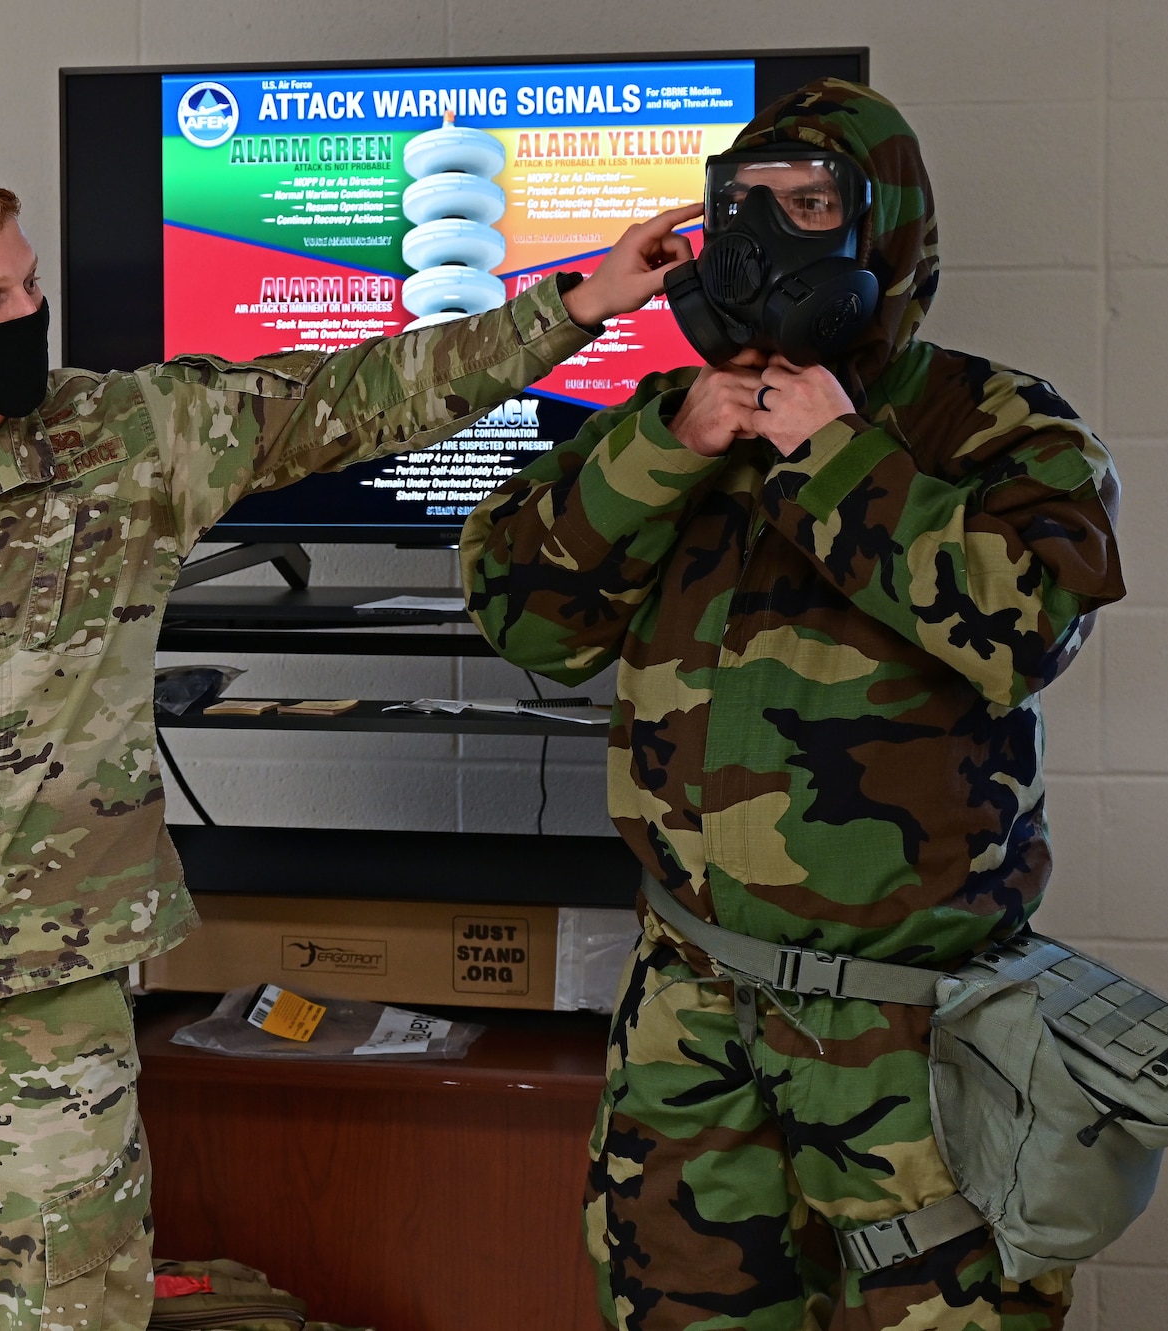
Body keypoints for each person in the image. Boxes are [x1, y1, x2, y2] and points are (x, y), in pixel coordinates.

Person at [0, 166, 701, 1330]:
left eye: (29, 285)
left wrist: (577, 306)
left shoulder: (132, 435)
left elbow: (364, 391)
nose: (28, 315)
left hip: (55, 1013)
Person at [459, 80, 1124, 1331]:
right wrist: (666, 448)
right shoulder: (675, 428)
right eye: (742, 208)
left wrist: (835, 456)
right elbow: (524, 619)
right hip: (690, 1003)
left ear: (884, 235)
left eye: (809, 205)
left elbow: (1024, 625)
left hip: (906, 1028)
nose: (766, 240)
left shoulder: (994, 423)